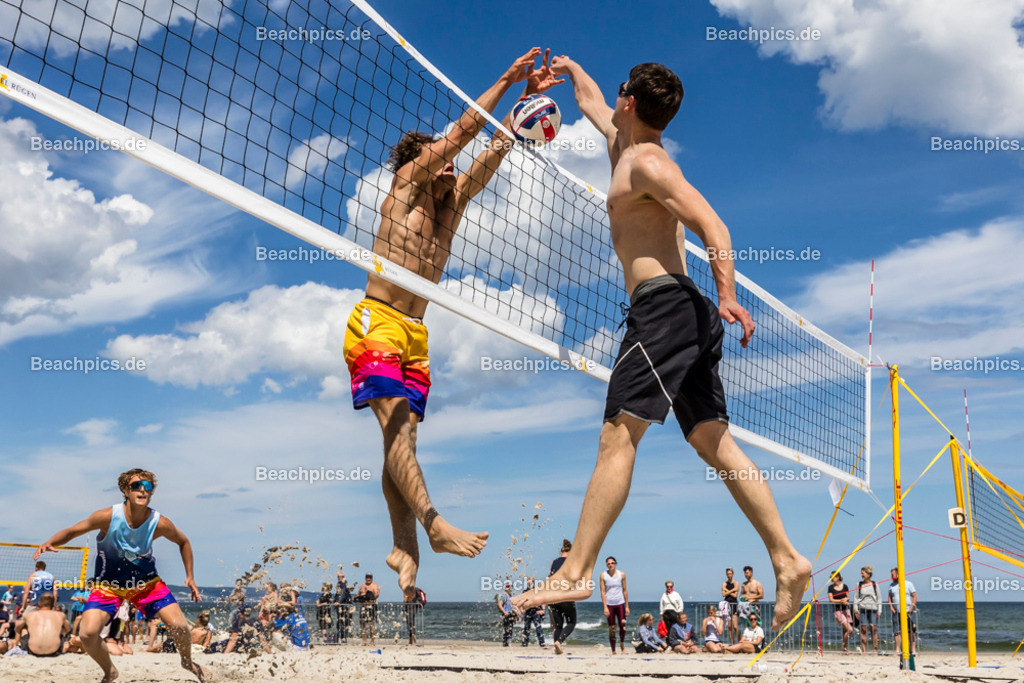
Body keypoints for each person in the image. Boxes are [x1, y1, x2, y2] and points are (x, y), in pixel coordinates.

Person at [512, 57, 811, 631]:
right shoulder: (623, 144)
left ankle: (576, 569)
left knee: (618, 434)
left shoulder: (648, 162)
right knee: (713, 441)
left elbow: (714, 227)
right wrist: (569, 69)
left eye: (619, 90)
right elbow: (590, 103)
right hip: (682, 313)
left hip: (665, 308)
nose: (611, 96)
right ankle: (786, 558)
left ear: (629, 101)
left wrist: (728, 294)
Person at [342, 48, 564, 604]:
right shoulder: (405, 189)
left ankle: (403, 545)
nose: (449, 166)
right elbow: (465, 132)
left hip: (416, 335)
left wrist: (525, 105)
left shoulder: (452, 204)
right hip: (376, 322)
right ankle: (434, 526)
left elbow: (493, 149)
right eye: (439, 159)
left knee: (403, 442)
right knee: (397, 428)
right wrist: (507, 77)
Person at [33, 468, 204, 682]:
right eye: (136, 486)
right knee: (87, 634)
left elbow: (183, 541)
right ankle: (110, 671)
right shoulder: (108, 517)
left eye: (148, 486)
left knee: (179, 626)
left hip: (146, 585)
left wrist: (190, 576)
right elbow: (73, 531)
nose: (142, 490)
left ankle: (187, 662)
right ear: (125, 490)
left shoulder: (158, 522)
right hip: (108, 586)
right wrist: (51, 542)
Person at [547, 539, 577, 655]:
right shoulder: (572, 562)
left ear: (561, 552)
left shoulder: (553, 562)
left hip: (553, 596)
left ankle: (556, 646)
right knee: (571, 622)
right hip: (566, 595)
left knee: (558, 625)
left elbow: (550, 578)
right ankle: (559, 641)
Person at [600, 556, 629, 654]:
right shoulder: (603, 575)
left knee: (622, 625)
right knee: (612, 628)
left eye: (612, 563)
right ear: (606, 565)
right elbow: (602, 592)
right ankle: (613, 650)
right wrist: (605, 607)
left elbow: (625, 590)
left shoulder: (622, 574)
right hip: (609, 604)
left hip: (620, 603)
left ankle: (622, 644)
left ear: (615, 564)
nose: (610, 565)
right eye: (608, 563)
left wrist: (627, 606)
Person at [887, 567, 917, 656]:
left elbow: (915, 596)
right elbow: (889, 597)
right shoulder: (891, 585)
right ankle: (897, 650)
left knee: (911, 631)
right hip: (896, 611)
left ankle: (913, 650)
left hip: (907, 611)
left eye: (893, 575)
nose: (891, 577)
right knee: (896, 631)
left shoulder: (908, 584)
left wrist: (911, 608)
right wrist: (891, 607)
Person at [853, 565, 881, 654]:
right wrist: (856, 610)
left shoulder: (875, 584)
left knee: (873, 629)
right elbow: (856, 598)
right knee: (863, 629)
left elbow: (879, 598)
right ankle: (864, 650)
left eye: (863, 573)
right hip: (862, 609)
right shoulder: (859, 584)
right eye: (861, 573)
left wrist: (879, 610)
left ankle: (875, 650)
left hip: (873, 609)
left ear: (868, 574)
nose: (861, 575)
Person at [828, 571, 854, 653]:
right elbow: (831, 600)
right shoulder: (830, 588)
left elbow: (848, 597)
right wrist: (841, 601)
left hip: (846, 610)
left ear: (838, 577)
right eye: (831, 577)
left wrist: (845, 599)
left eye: (833, 577)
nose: (832, 579)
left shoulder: (845, 586)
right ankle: (843, 647)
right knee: (850, 630)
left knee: (845, 631)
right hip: (838, 611)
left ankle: (844, 649)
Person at [520, 577, 546, 647]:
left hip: (536, 611)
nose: (529, 582)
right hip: (527, 612)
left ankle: (542, 643)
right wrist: (521, 609)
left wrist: (543, 610)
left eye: (530, 580)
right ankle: (525, 643)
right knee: (526, 628)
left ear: (533, 581)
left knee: (538, 628)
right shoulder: (525, 591)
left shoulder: (537, 590)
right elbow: (521, 600)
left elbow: (543, 600)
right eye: (528, 580)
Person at [356, 573, 380, 646]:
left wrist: (369, 597)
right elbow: (358, 594)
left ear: (372, 578)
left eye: (370, 577)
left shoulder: (375, 586)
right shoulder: (362, 586)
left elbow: (376, 595)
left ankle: (372, 641)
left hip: (371, 606)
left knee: (371, 624)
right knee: (362, 624)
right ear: (365, 578)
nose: (368, 579)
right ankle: (364, 641)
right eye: (367, 577)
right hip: (363, 607)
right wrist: (357, 598)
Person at [720, 567, 739, 644]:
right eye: (727, 574)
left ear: (733, 574)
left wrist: (727, 590)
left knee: (735, 626)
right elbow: (723, 594)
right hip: (726, 605)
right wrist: (732, 590)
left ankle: (739, 642)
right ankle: (732, 643)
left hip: (734, 604)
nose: (729, 575)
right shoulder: (724, 583)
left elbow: (735, 595)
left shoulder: (736, 583)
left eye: (730, 574)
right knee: (729, 626)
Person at [497, 582, 519, 647]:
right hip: (506, 614)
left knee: (510, 628)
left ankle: (508, 643)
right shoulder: (503, 596)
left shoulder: (510, 596)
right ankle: (506, 643)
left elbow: (512, 605)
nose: (511, 589)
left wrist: (517, 610)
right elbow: (500, 605)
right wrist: (505, 612)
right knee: (507, 628)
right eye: (510, 588)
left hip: (511, 614)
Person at [335, 569, 353, 641]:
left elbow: (344, 593)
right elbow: (337, 594)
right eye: (338, 577)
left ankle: (343, 637)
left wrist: (338, 602)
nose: (339, 578)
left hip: (345, 606)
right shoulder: (339, 584)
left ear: (343, 577)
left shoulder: (344, 584)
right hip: (342, 606)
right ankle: (342, 637)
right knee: (341, 621)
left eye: (341, 577)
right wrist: (334, 601)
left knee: (345, 622)